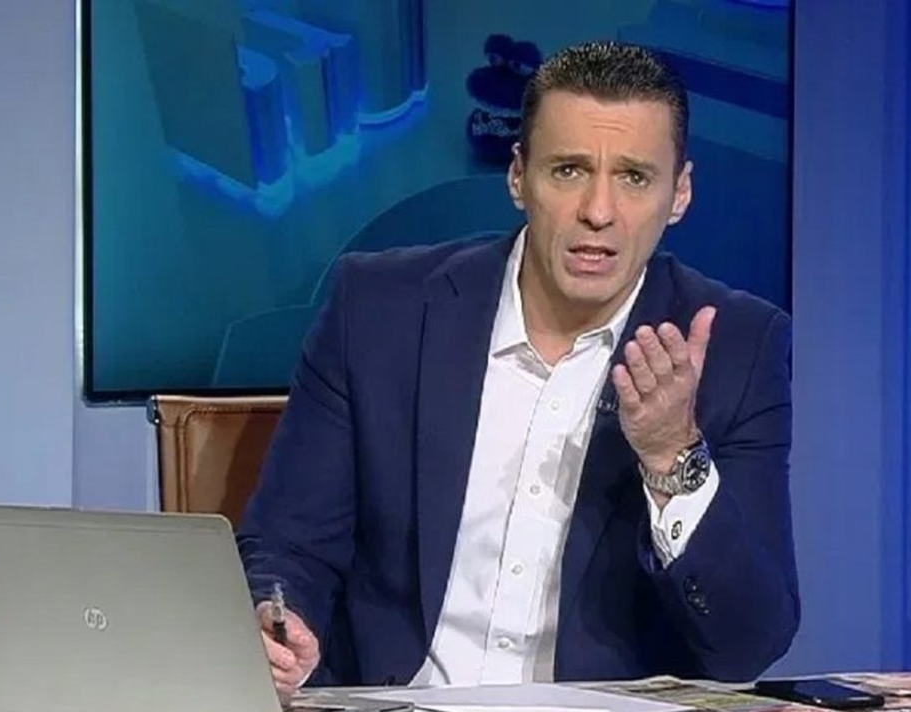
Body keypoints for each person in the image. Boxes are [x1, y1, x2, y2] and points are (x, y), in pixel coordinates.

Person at [236, 40, 798, 696]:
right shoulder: (377, 312)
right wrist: (281, 623)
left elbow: (749, 644)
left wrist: (674, 459)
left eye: (634, 178)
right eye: (569, 170)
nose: (598, 211)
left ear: (680, 194)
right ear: (518, 177)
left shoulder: (738, 349)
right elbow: (289, 546)